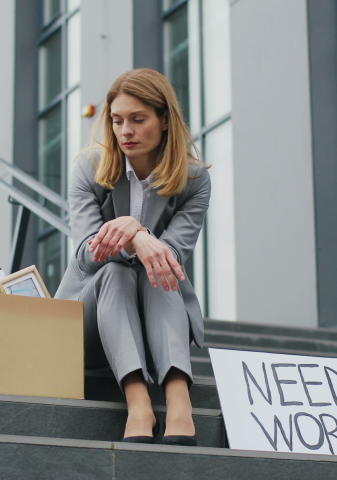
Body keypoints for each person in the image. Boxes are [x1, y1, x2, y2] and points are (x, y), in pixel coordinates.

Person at [54, 68, 211, 446]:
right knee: (115, 272)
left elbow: (173, 254)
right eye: (117, 120)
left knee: (162, 268)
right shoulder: (89, 168)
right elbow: (86, 256)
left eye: (138, 120)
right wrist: (134, 233)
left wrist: (138, 233)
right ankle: (138, 401)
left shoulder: (193, 180)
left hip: (155, 314)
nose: (125, 130)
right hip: (88, 323)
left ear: (165, 120)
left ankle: (178, 399)